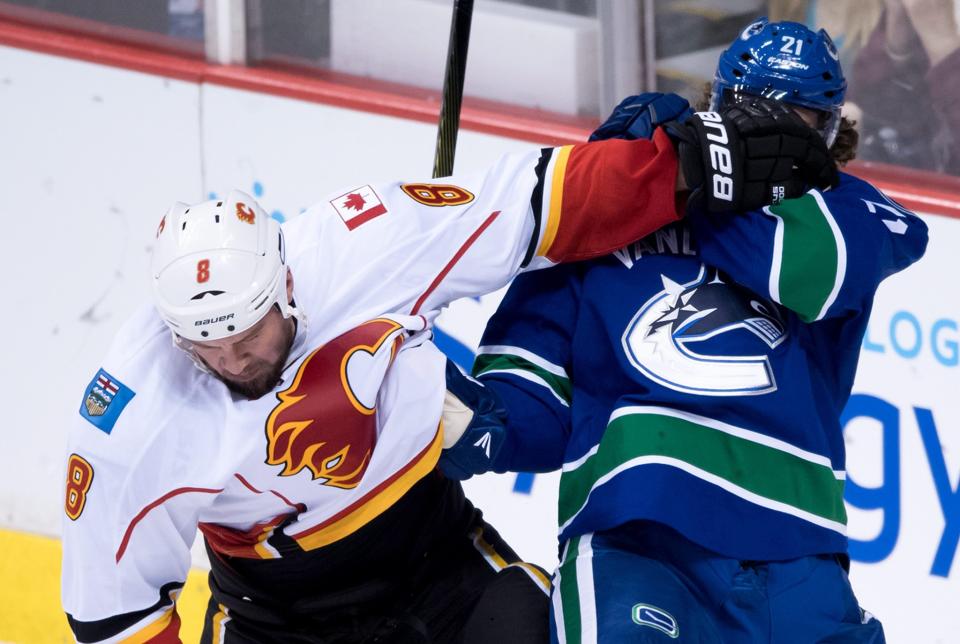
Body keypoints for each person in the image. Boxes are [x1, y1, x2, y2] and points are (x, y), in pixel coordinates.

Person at [60, 106, 834, 643]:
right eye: (205, 345)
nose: (232, 360)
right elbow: (114, 616)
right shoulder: (131, 418)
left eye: (247, 331)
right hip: (276, 617)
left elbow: (535, 207)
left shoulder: (361, 245)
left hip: (438, 564)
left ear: (285, 284)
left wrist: (681, 166)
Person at [440, 18, 928, 643]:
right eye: (757, 113)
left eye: (799, 119)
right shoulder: (604, 224)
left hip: (796, 558)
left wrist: (678, 175)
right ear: (720, 106)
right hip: (637, 547)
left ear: (829, 132)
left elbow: (811, 272)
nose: (775, 133)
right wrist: (461, 416)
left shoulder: (851, 212)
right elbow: (532, 398)